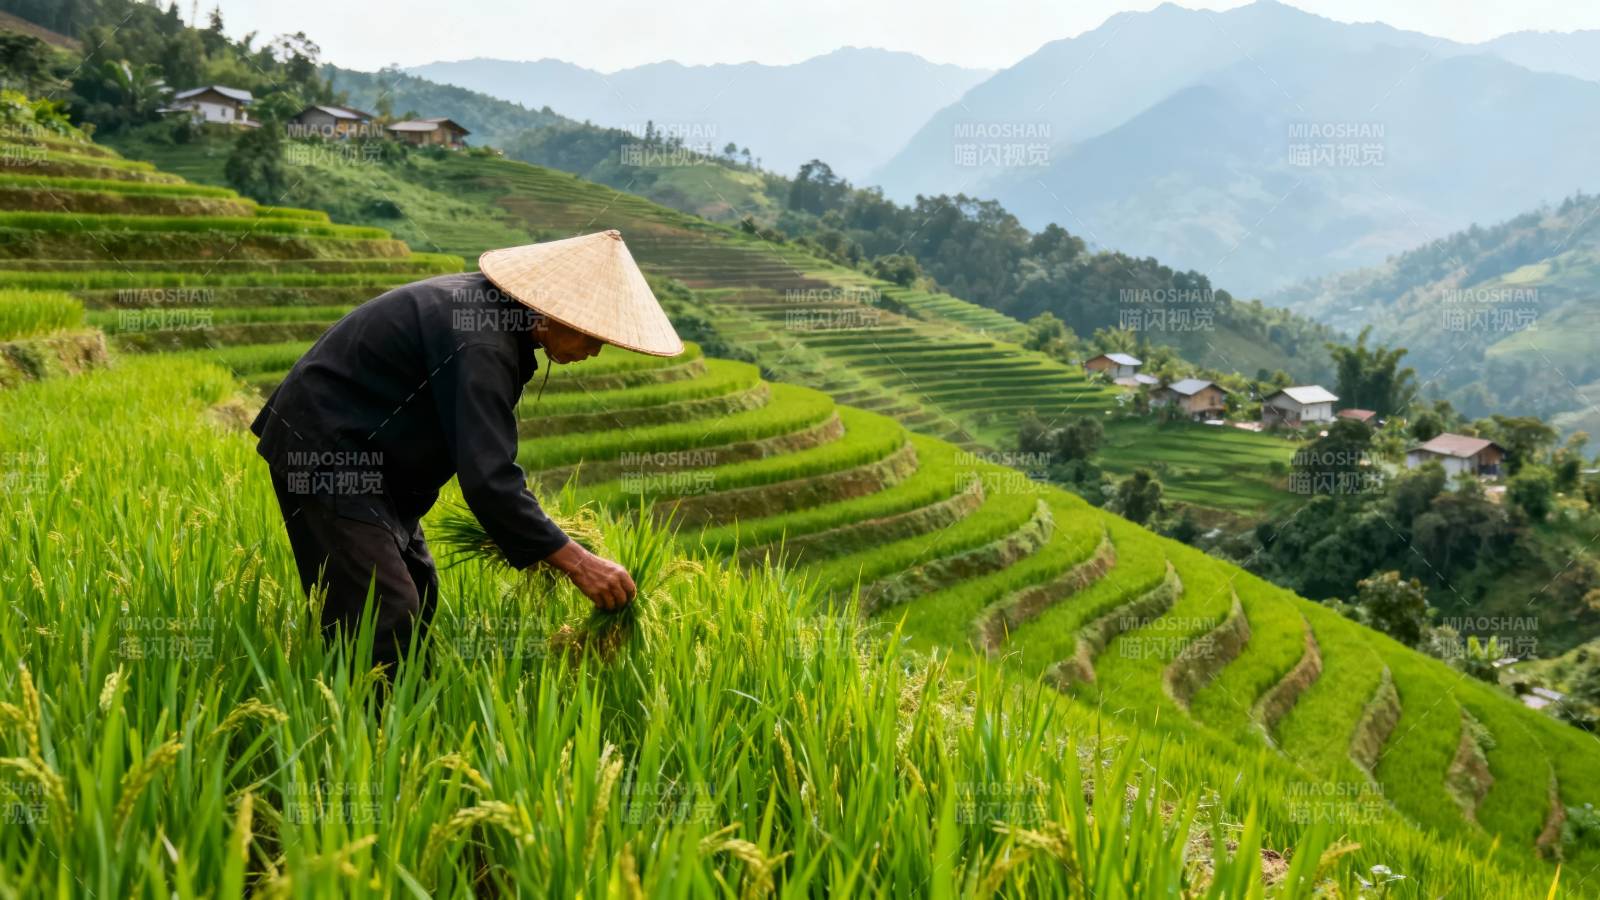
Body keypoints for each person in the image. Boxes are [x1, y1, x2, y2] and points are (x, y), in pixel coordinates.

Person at [250, 230, 683, 671]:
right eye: (592, 335)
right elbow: (489, 478)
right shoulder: (482, 341)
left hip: (374, 461)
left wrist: (540, 543)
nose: (594, 350)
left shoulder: (495, 319)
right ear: (553, 311)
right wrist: (575, 561)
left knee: (418, 590)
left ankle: (401, 715)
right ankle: (370, 731)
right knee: (386, 611)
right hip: (325, 450)